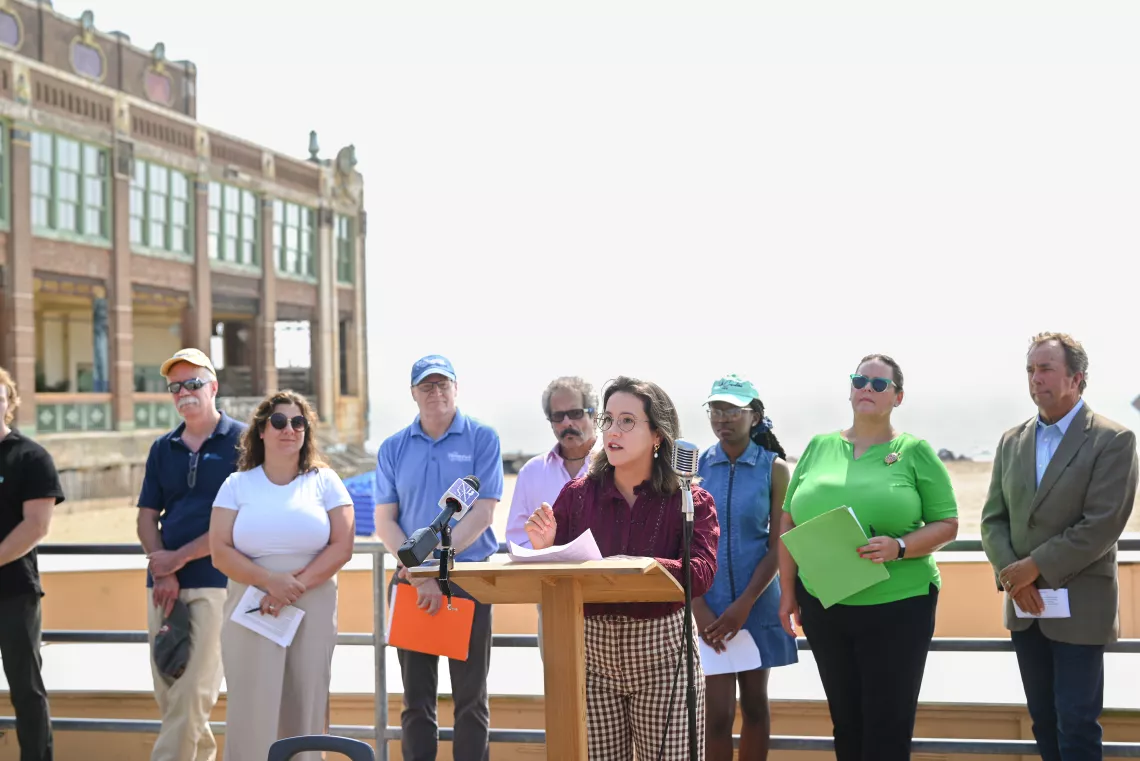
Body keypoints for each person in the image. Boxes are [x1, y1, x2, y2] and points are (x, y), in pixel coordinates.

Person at [524, 375, 719, 761]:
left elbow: (700, 573)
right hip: (591, 654)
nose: (613, 430)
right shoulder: (577, 496)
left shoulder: (690, 499)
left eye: (627, 421)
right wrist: (546, 550)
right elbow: (556, 570)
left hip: (663, 654)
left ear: (658, 434)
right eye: (609, 420)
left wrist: (641, 567)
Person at [777, 354, 959, 761]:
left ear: (898, 397)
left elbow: (948, 524)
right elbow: (788, 522)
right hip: (826, 604)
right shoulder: (819, 446)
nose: (867, 389)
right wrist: (787, 592)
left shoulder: (914, 451)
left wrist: (900, 547)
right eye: (860, 381)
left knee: (887, 727)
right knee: (846, 722)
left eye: (879, 385)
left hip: (899, 605)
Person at [980, 332, 1138, 761]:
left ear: (1077, 378)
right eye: (1031, 370)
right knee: (1044, 722)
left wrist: (1032, 567)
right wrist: (1014, 579)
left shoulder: (1113, 439)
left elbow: (1102, 524)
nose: (1035, 379)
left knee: (1078, 724)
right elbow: (992, 519)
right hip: (1025, 607)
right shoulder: (1012, 441)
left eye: (1046, 369)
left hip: (1080, 608)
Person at [209, 389, 355, 761]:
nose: (288, 429)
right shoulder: (236, 485)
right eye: (278, 422)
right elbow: (219, 551)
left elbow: (343, 545)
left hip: (313, 603)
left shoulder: (326, 482)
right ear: (260, 430)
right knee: (251, 704)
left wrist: (291, 587)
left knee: (306, 700)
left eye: (297, 422)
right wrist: (269, 582)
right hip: (252, 606)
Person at [373, 354, 505, 761]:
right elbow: (384, 521)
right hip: (411, 582)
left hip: (467, 579)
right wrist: (419, 574)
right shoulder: (393, 447)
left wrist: (433, 568)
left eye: (443, 383)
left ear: (456, 388)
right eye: (426, 386)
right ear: (413, 394)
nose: (436, 392)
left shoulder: (483, 438)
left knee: (471, 700)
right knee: (416, 702)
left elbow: (482, 513)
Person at [137, 348, 246, 761]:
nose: (184, 392)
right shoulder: (162, 448)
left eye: (193, 383)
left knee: (193, 693)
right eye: (175, 387)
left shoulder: (242, 442)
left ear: (213, 387)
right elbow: (147, 517)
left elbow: (237, 520)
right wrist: (162, 568)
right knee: (170, 693)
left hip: (216, 582)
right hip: (164, 587)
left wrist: (177, 559)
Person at [694, 374, 797, 761]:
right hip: (709, 606)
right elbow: (682, 543)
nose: (723, 417)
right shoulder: (695, 467)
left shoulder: (775, 469)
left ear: (754, 416)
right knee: (716, 714)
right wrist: (700, 607)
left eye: (732, 410)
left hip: (756, 605)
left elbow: (779, 544)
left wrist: (745, 604)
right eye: (716, 409)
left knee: (755, 705)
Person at [504, 376, 598, 659]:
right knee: (560, 693)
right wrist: (546, 551)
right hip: (553, 599)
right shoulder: (532, 472)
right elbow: (515, 538)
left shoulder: (616, 465)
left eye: (576, 413)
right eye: (558, 416)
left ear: (594, 414)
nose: (567, 423)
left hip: (608, 602)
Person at [0, 366, 65, 761]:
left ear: (8, 404)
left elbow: (36, 526)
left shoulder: (31, 457)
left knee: (26, 689)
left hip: (14, 592)